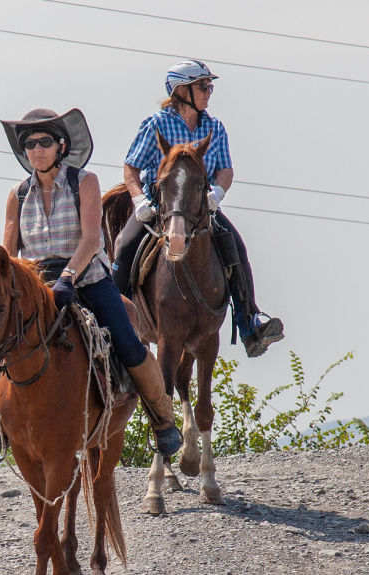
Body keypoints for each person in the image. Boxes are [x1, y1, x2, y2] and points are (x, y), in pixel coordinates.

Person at [0, 108, 182, 462]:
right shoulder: (18, 195)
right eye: (30, 143)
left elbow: (91, 240)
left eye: (44, 142)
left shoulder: (83, 182)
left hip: (85, 277)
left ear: (61, 146)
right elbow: (9, 252)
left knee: (127, 340)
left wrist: (68, 278)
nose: (37, 149)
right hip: (36, 282)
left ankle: (161, 417)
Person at [110, 60, 285, 357]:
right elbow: (131, 168)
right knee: (125, 247)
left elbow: (225, 170)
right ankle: (113, 325)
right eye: (203, 86)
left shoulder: (214, 127)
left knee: (236, 248)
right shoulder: (156, 124)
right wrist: (139, 200)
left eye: (210, 86)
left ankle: (250, 323)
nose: (209, 92)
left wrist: (217, 191)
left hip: (200, 206)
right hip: (159, 204)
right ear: (182, 90)